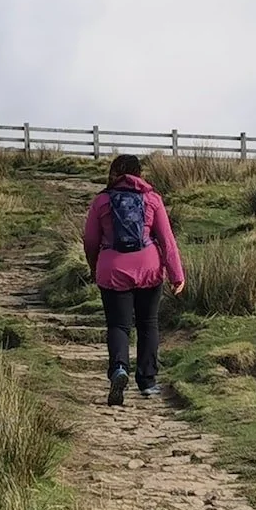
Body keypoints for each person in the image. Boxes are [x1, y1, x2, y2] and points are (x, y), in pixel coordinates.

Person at [81, 154, 185, 405]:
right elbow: (167, 241)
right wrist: (176, 274)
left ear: (114, 173)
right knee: (148, 324)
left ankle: (119, 369)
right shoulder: (152, 199)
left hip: (113, 269)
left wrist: (96, 265)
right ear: (139, 173)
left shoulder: (102, 201)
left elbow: (90, 240)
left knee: (118, 325)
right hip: (148, 268)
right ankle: (148, 382)